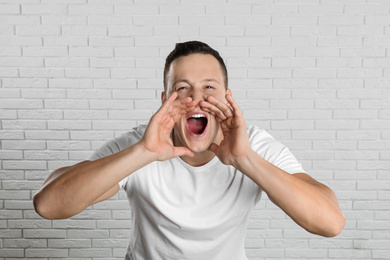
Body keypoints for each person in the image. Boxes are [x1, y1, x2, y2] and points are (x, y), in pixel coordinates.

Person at [34, 41, 345, 260]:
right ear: (164, 99)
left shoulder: (253, 145)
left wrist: (245, 160)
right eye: (182, 88)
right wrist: (143, 153)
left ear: (227, 96)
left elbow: (330, 222)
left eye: (209, 87)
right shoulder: (140, 145)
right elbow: (49, 205)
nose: (197, 98)